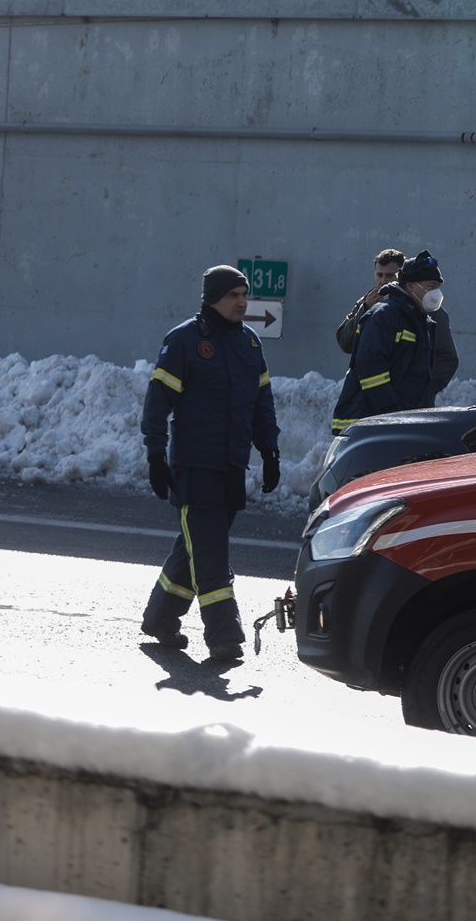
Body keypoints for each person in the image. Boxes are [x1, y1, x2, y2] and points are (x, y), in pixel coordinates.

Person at [140, 265, 280, 662]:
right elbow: (157, 403)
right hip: (195, 467)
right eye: (233, 295)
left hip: (233, 466)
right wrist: (155, 455)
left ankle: (160, 618)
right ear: (212, 298)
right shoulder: (184, 340)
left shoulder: (250, 344)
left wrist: (270, 452)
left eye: (244, 294)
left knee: (195, 548)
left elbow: (262, 405)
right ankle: (224, 634)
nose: (242, 302)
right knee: (212, 553)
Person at [332, 250, 443, 432]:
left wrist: (423, 402)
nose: (383, 281)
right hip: (371, 424)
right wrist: (392, 412)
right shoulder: (381, 313)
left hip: (398, 421)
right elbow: (368, 366)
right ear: (411, 285)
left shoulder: (424, 319)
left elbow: (435, 363)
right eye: (431, 286)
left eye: (390, 275)